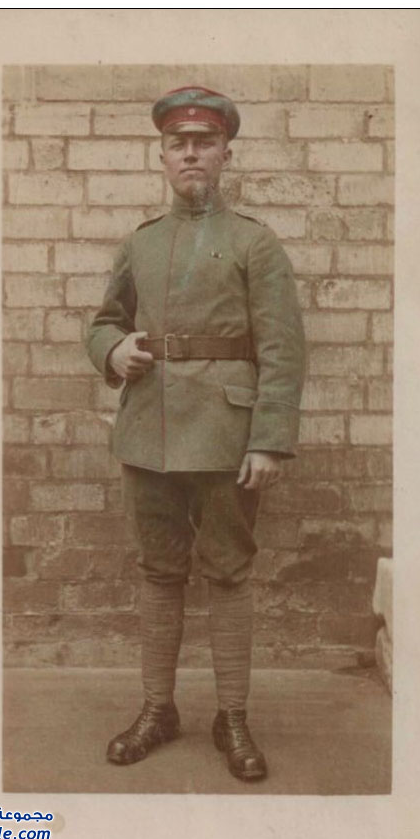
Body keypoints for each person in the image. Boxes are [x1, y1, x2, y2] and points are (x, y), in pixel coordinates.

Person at [86, 85, 306, 782]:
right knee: (159, 572)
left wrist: (268, 439)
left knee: (229, 572)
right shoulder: (142, 242)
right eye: (178, 144)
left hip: (225, 436)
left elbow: (283, 349)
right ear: (162, 156)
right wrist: (113, 351)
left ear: (225, 155)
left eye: (204, 143)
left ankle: (232, 715)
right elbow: (104, 320)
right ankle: (158, 708)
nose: (190, 154)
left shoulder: (254, 242)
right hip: (147, 433)